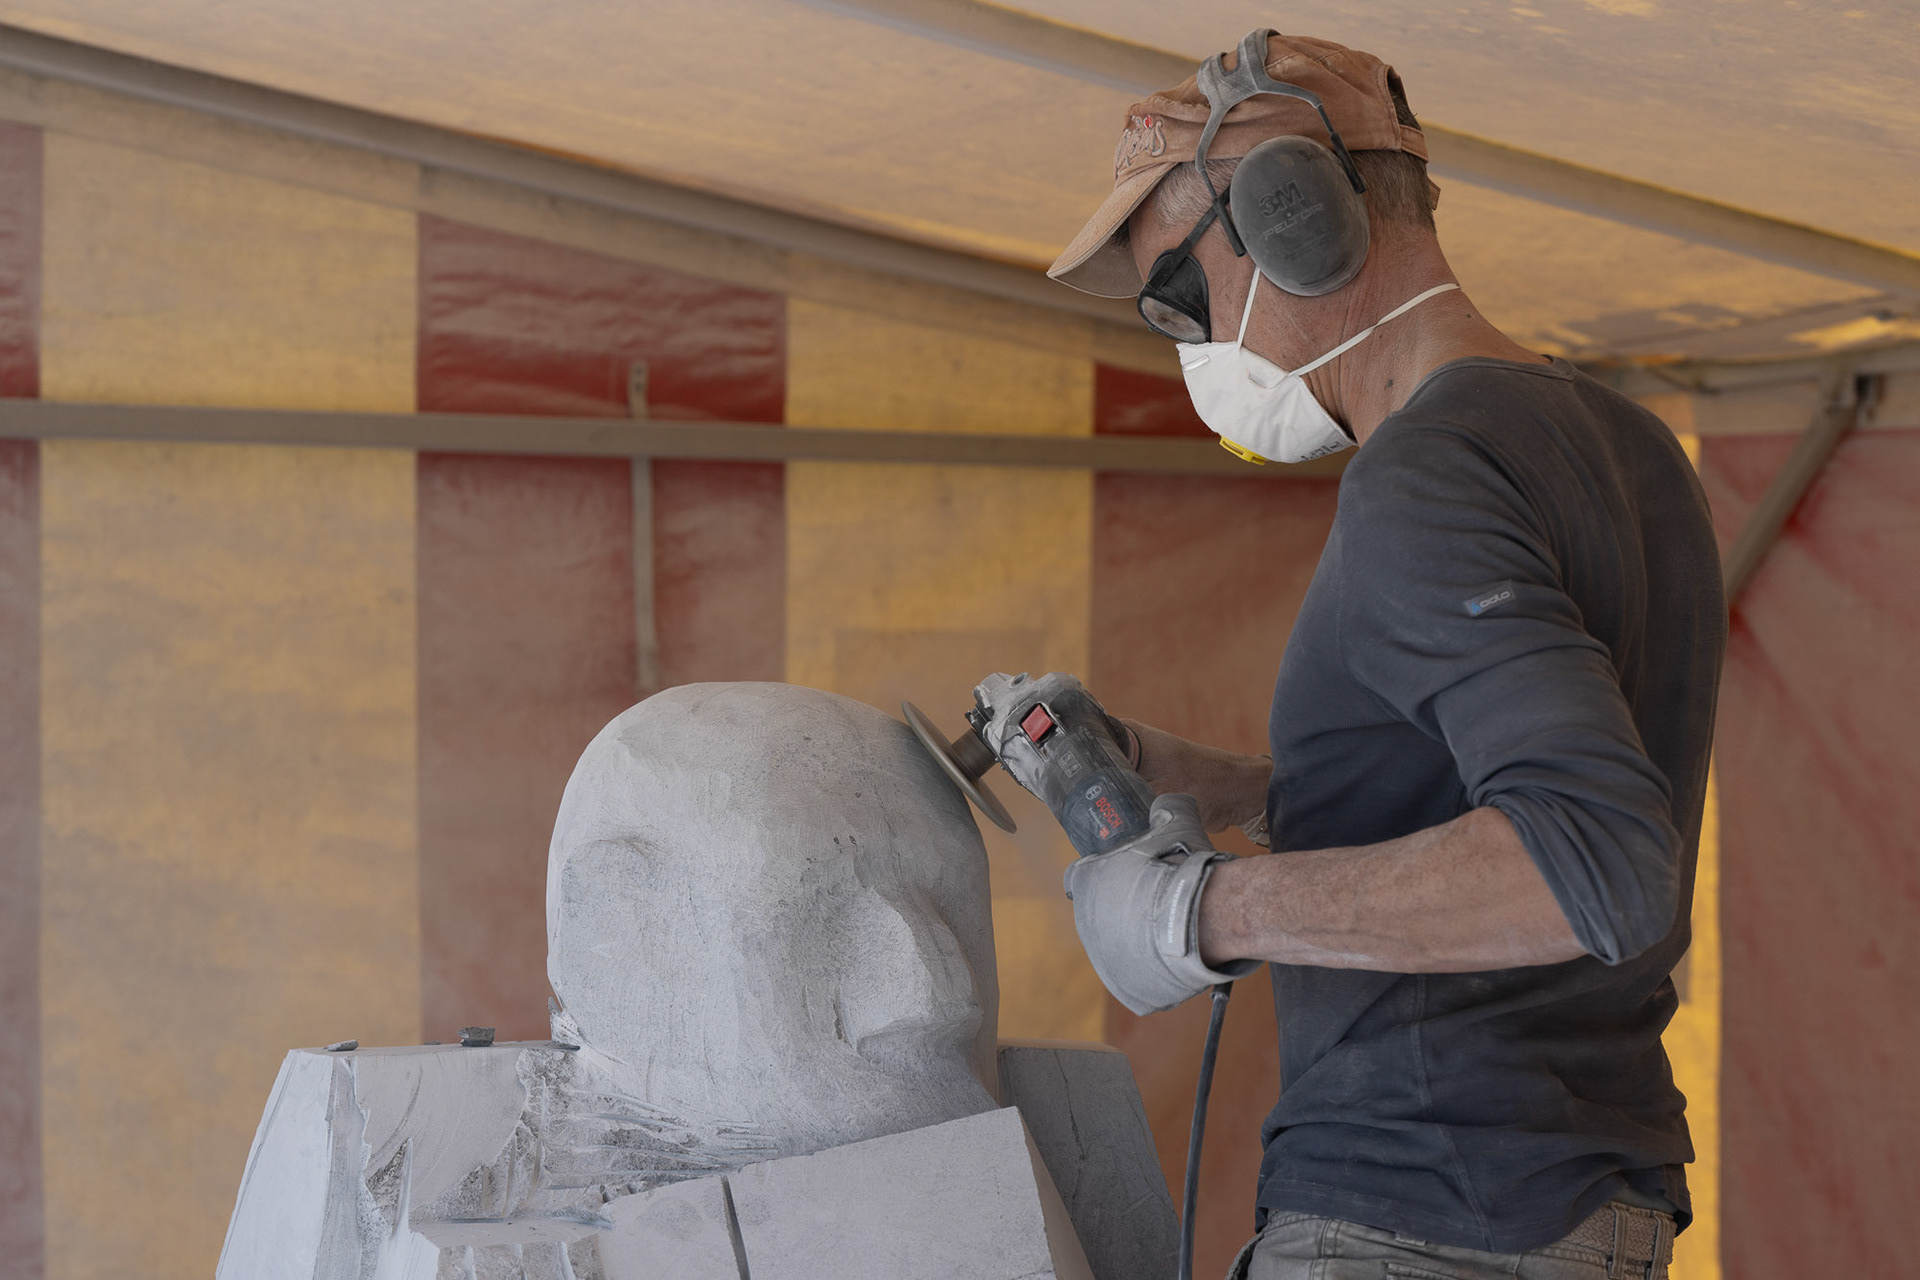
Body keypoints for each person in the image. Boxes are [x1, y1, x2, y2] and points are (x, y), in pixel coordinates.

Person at [1039, 28, 1724, 1280]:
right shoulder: (1632, 447)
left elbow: (1593, 861)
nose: (1185, 338)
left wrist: (1206, 909)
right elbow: (1481, 783)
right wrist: (1202, 779)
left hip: (1423, 1213)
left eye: (1178, 293)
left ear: (1289, 217)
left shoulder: (1426, 470)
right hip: (1580, 1199)